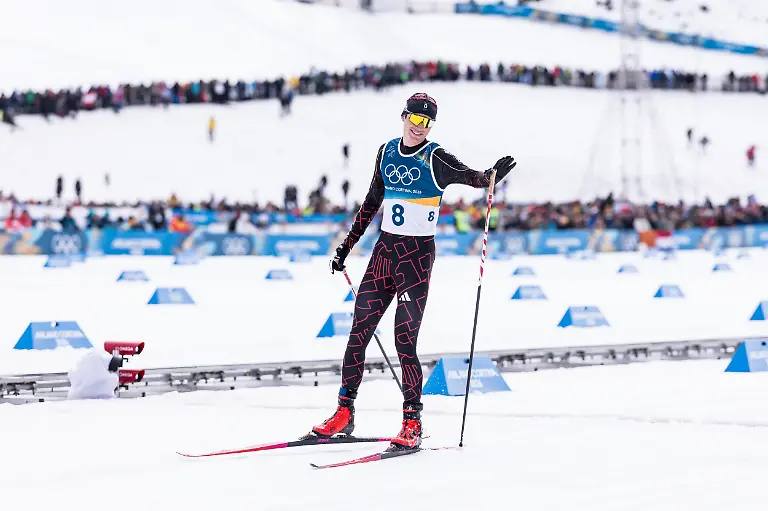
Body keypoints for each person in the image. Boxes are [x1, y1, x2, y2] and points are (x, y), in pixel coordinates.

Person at [305, 93, 517, 451]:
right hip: (384, 254)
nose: (419, 127)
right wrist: (346, 246)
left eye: (426, 122)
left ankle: (412, 421)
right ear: (403, 117)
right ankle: (343, 412)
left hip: (416, 261)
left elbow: (473, 177)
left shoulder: (435, 157)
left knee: (404, 340)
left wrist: (491, 176)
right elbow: (371, 204)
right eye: (415, 119)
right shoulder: (386, 152)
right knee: (358, 332)